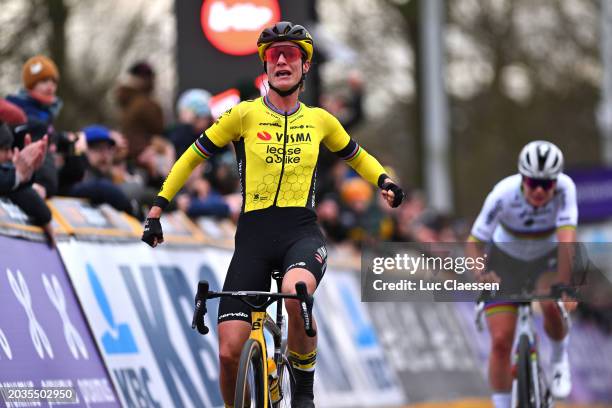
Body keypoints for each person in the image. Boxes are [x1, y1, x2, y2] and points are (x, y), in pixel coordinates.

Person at [141, 21, 405, 408]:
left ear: (305, 66)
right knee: (230, 352)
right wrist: (157, 207)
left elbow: (357, 155)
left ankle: (303, 393)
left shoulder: (321, 121)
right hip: (253, 238)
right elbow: (191, 157)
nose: (282, 60)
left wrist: (383, 180)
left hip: (301, 232)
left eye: (292, 54)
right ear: (265, 66)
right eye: (274, 55)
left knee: (295, 294)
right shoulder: (242, 115)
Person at [466, 140, 577, 408]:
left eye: (547, 184)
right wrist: (481, 275)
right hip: (506, 262)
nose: (539, 190)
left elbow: (567, 240)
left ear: (556, 181)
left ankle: (560, 360)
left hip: (545, 259)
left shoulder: (566, 189)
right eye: (532, 182)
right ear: (522, 178)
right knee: (502, 341)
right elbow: (473, 244)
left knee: (551, 302)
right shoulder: (502, 195)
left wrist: (565, 283)